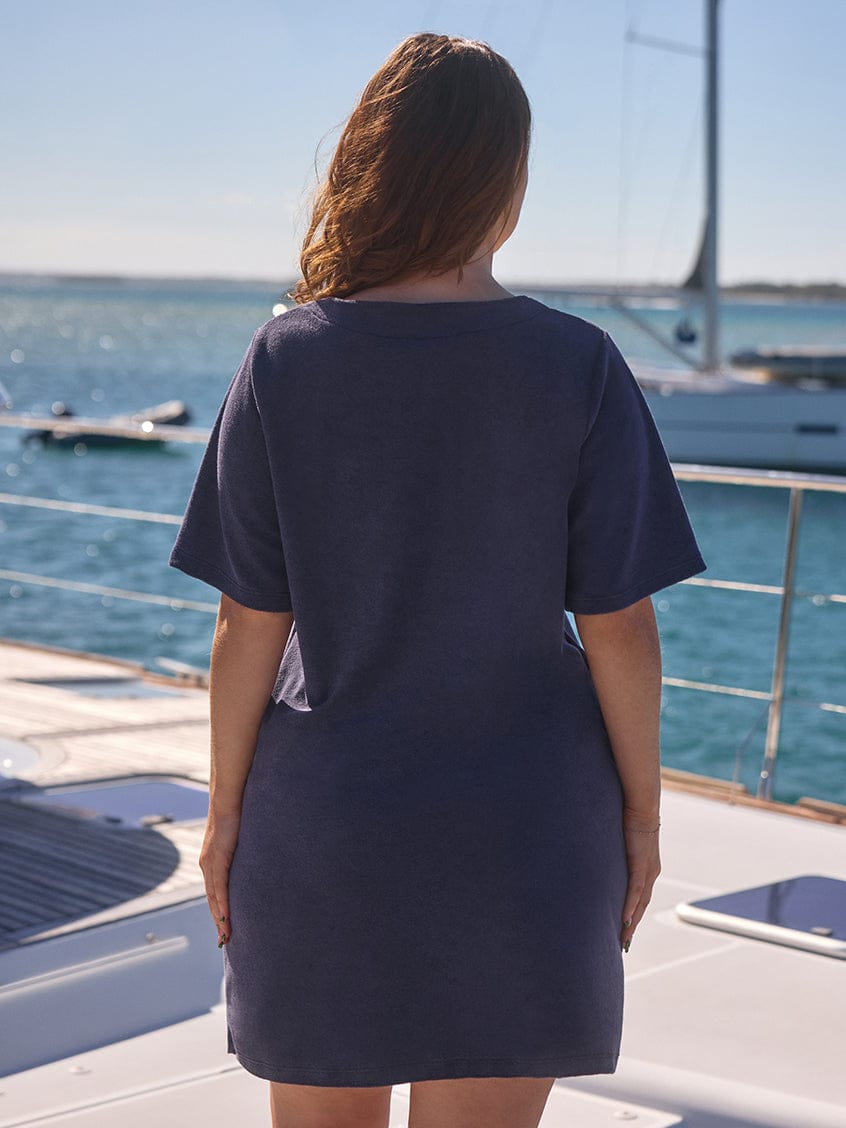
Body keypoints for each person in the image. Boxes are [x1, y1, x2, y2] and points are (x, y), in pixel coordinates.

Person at [168, 31, 706, 1128]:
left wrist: (224, 814)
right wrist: (643, 814)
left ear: (368, 167)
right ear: (507, 190)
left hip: (327, 835)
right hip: (527, 836)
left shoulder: (287, 359)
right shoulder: (578, 364)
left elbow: (246, 624)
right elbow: (620, 625)